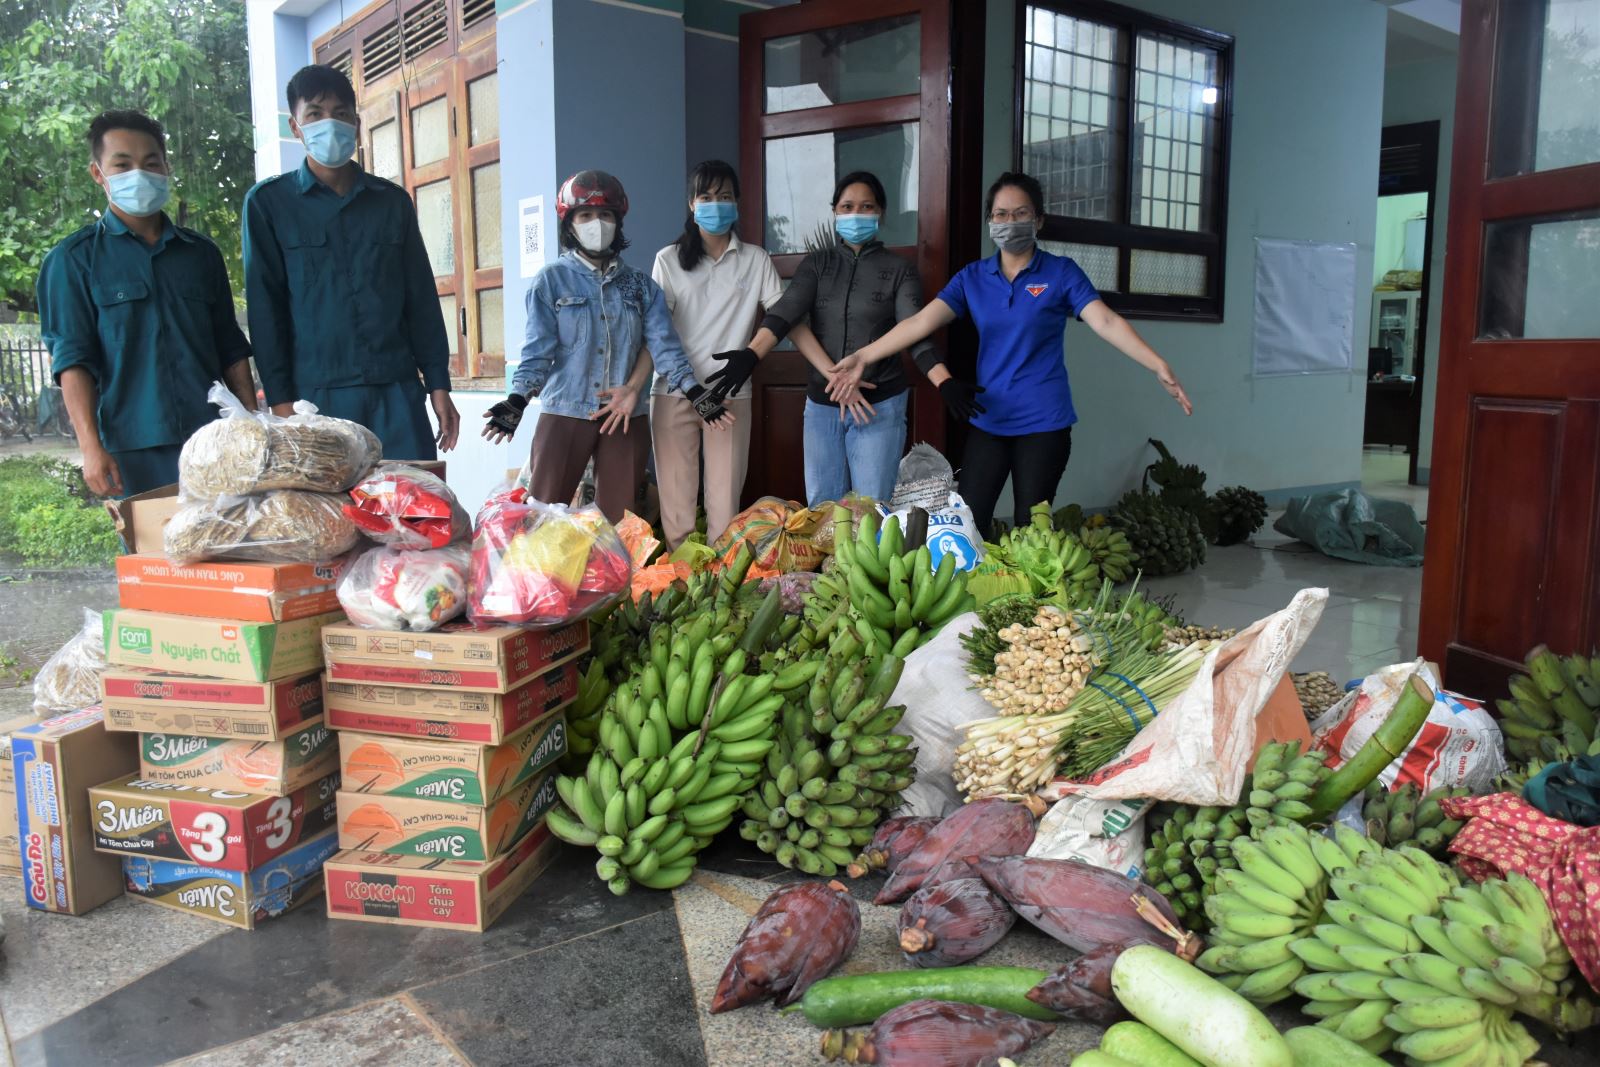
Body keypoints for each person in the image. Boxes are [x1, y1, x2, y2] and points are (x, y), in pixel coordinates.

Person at [828, 171, 1193, 535]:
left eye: (1021, 214)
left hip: (1044, 421)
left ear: (1039, 220)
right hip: (989, 419)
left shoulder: (1060, 273)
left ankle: (1031, 592)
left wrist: (1158, 364)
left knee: (1028, 527)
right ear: (990, 221)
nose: (1010, 222)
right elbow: (920, 323)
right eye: (1001, 214)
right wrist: (864, 356)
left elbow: (1106, 322)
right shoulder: (973, 278)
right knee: (968, 521)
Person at [481, 170, 730, 523]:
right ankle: (545, 581)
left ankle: (617, 581)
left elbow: (665, 346)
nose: (596, 223)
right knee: (543, 517)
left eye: (605, 215)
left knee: (620, 526)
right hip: (566, 411)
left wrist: (694, 392)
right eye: (585, 215)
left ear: (618, 222)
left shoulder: (640, 286)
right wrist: (517, 400)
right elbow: (538, 351)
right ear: (570, 224)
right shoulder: (551, 281)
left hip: (625, 417)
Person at [242, 64, 458, 460]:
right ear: (295, 126)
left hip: (397, 395)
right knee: (327, 519)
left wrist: (438, 385)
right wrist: (281, 401)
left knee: (414, 511)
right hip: (315, 401)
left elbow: (421, 300)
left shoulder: (391, 203)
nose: (330, 124)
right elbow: (265, 309)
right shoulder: (268, 205)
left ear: (356, 124)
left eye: (341, 114)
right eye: (315, 114)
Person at [37, 109, 256, 499]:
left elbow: (230, 344)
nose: (139, 173)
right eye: (122, 164)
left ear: (165, 168)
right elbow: (72, 360)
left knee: (227, 554)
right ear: (98, 174)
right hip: (133, 449)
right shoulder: (73, 260)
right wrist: (91, 448)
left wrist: (249, 423)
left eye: (150, 162)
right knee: (153, 558)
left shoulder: (200, 254)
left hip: (212, 438)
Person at [718, 171, 932, 507]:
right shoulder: (817, 264)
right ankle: (830, 564)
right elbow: (786, 311)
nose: (856, 214)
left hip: (879, 403)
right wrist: (751, 354)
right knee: (822, 507)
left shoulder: (899, 269)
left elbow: (915, 327)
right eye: (847, 206)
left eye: (866, 206)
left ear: (881, 213)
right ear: (834, 211)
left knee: (873, 507)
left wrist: (942, 378)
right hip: (823, 404)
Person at [648, 161, 828, 548]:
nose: (716, 205)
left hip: (730, 396)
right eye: (707, 197)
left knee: (725, 509)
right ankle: (683, 588)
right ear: (692, 204)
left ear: (738, 204)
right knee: (676, 512)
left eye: (725, 197)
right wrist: (632, 386)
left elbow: (786, 319)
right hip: (673, 394)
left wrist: (828, 369)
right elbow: (656, 332)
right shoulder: (668, 260)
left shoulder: (755, 259)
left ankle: (719, 591)